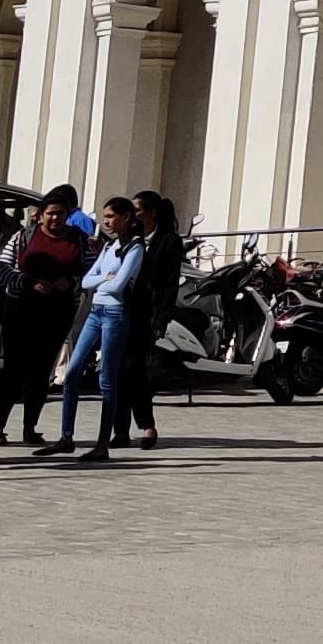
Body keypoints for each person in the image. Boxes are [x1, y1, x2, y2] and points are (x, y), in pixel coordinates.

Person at [0, 188, 87, 447]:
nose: (55, 219)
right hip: (21, 310)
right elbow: (2, 267)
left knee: (41, 371)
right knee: (13, 369)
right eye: (50, 214)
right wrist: (27, 282)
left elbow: (92, 270)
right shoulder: (23, 237)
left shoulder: (80, 240)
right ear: (40, 216)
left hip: (57, 313)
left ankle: (30, 427)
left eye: (61, 214)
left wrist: (72, 283)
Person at [45, 198, 143, 463]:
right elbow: (89, 280)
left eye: (111, 216)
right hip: (95, 311)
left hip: (114, 314)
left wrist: (107, 281)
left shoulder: (134, 247)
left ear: (126, 217)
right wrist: (105, 278)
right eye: (105, 216)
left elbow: (119, 285)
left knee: (107, 380)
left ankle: (102, 443)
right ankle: (66, 436)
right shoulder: (110, 246)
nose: (107, 222)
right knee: (72, 371)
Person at [124, 189, 185, 449]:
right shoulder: (129, 238)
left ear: (151, 213)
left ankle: (146, 424)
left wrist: (161, 319)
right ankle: (118, 430)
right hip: (122, 310)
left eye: (136, 211)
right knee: (117, 372)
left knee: (137, 371)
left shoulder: (168, 241)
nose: (132, 216)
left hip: (147, 314)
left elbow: (170, 283)